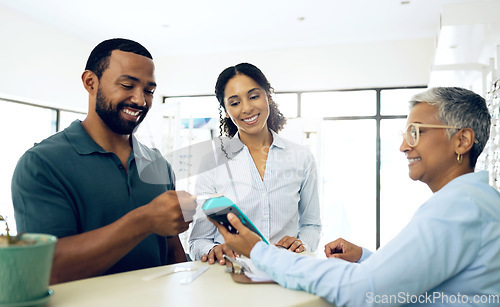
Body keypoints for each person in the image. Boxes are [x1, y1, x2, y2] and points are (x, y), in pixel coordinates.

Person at [212, 87, 500, 306]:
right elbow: (431, 277)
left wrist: (261, 252)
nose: (403, 146)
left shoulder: (457, 207)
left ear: (461, 140)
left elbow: (362, 290)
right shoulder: (475, 200)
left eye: (415, 132)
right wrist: (365, 258)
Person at [11, 38, 196, 284]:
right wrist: (144, 220)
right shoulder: (41, 164)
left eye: (149, 91)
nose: (140, 100)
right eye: (127, 85)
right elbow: (46, 269)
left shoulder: (158, 164)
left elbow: (172, 250)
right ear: (90, 82)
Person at [189, 63, 321, 264]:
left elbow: (312, 225)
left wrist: (302, 245)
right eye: (235, 103)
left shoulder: (301, 157)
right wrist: (213, 249)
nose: (247, 108)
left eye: (253, 96)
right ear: (225, 110)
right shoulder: (212, 162)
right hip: (230, 276)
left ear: (268, 97)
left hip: (286, 272)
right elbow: (198, 240)